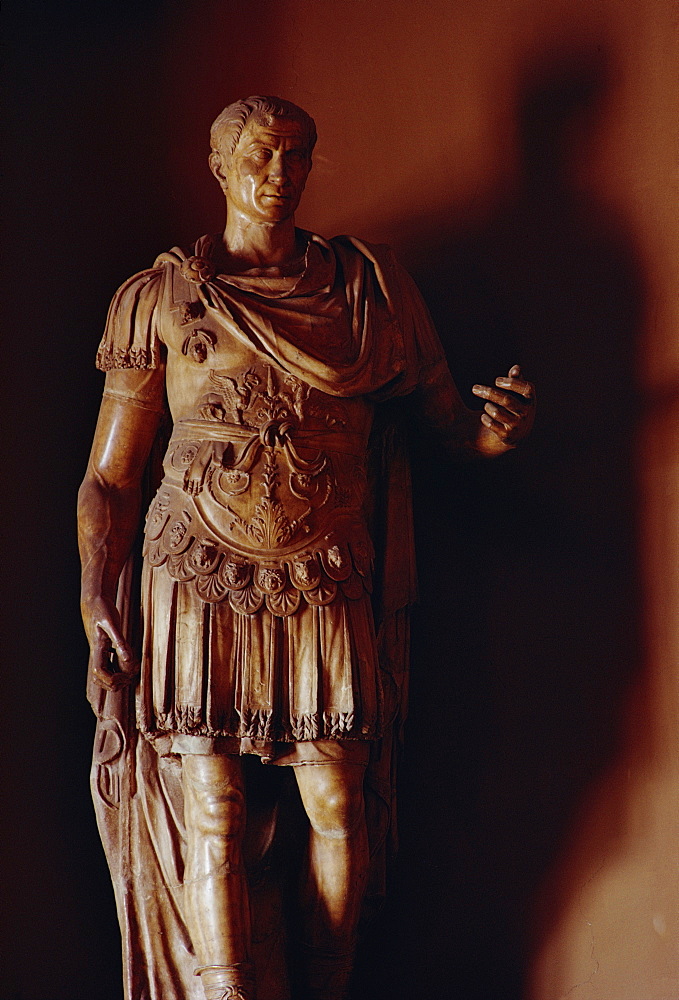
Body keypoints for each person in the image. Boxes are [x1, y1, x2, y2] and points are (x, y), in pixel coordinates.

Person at [78, 96, 534, 1000]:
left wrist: (498, 434)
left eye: (297, 155)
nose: (279, 173)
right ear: (219, 166)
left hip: (325, 566)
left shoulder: (368, 290)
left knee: (336, 801)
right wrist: (97, 592)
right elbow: (112, 477)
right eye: (260, 154)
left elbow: (448, 426)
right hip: (192, 570)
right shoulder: (159, 299)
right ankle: (226, 991)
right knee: (211, 806)